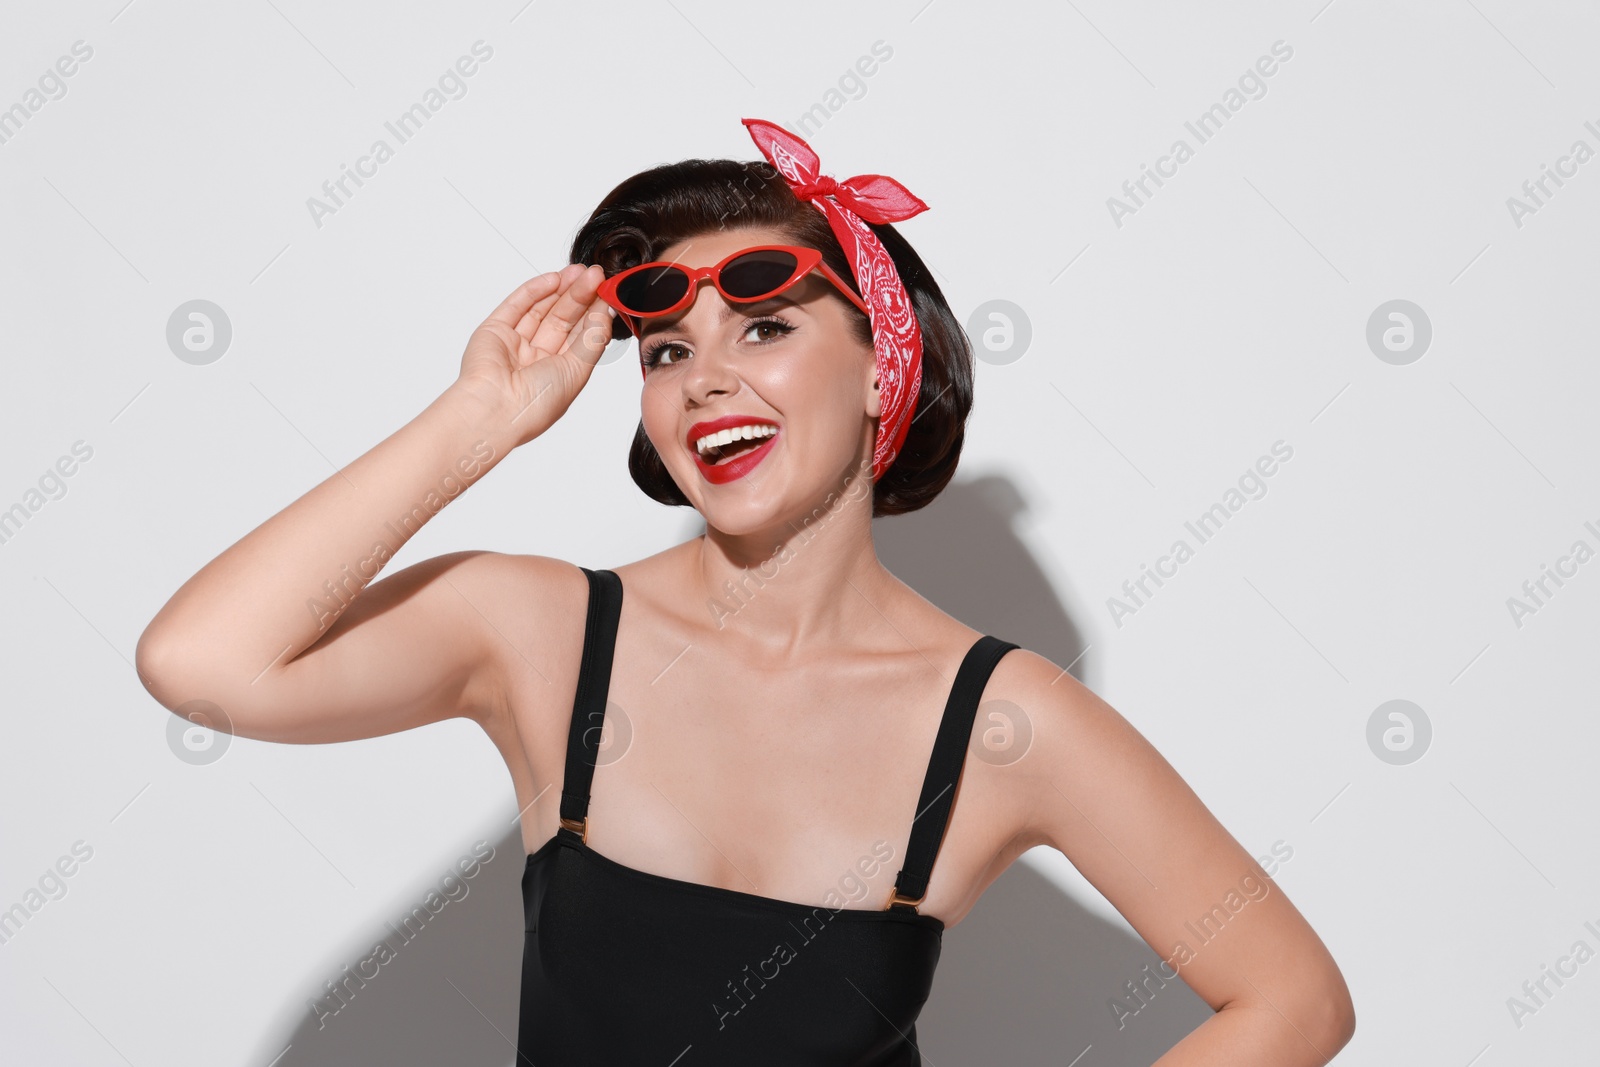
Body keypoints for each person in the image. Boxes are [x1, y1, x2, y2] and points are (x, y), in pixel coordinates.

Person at [135, 118, 1355, 1065]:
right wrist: (481, 420)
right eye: (667, 352)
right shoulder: (546, 632)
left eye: (764, 327)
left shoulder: (997, 718)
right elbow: (204, 662)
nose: (704, 378)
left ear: (884, 371)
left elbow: (1291, 995)